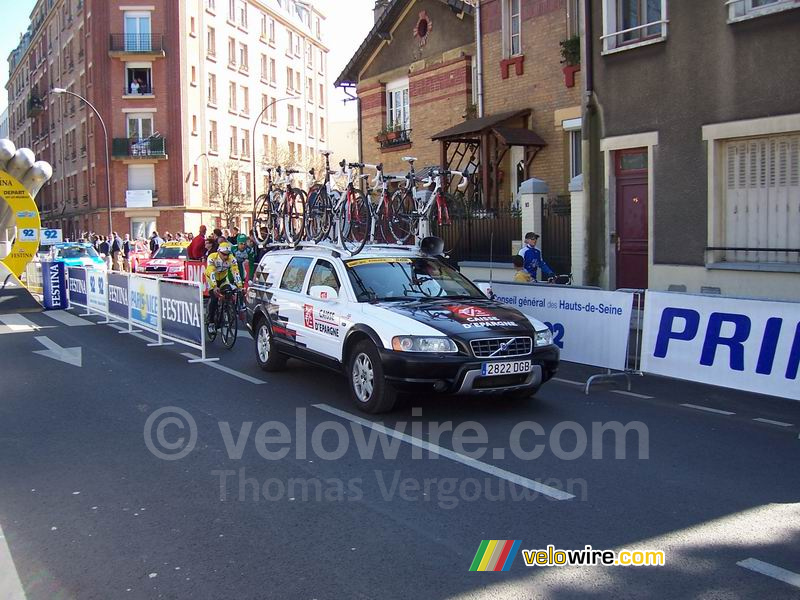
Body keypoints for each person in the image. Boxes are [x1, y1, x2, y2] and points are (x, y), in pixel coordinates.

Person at [205, 241, 242, 329]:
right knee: (214, 299)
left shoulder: (231, 258)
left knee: (229, 293)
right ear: (218, 252)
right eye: (223, 254)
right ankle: (211, 322)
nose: (226, 256)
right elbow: (211, 271)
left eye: (227, 254)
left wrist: (240, 286)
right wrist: (214, 286)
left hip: (223, 279)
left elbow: (235, 272)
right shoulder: (212, 257)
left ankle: (227, 311)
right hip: (211, 279)